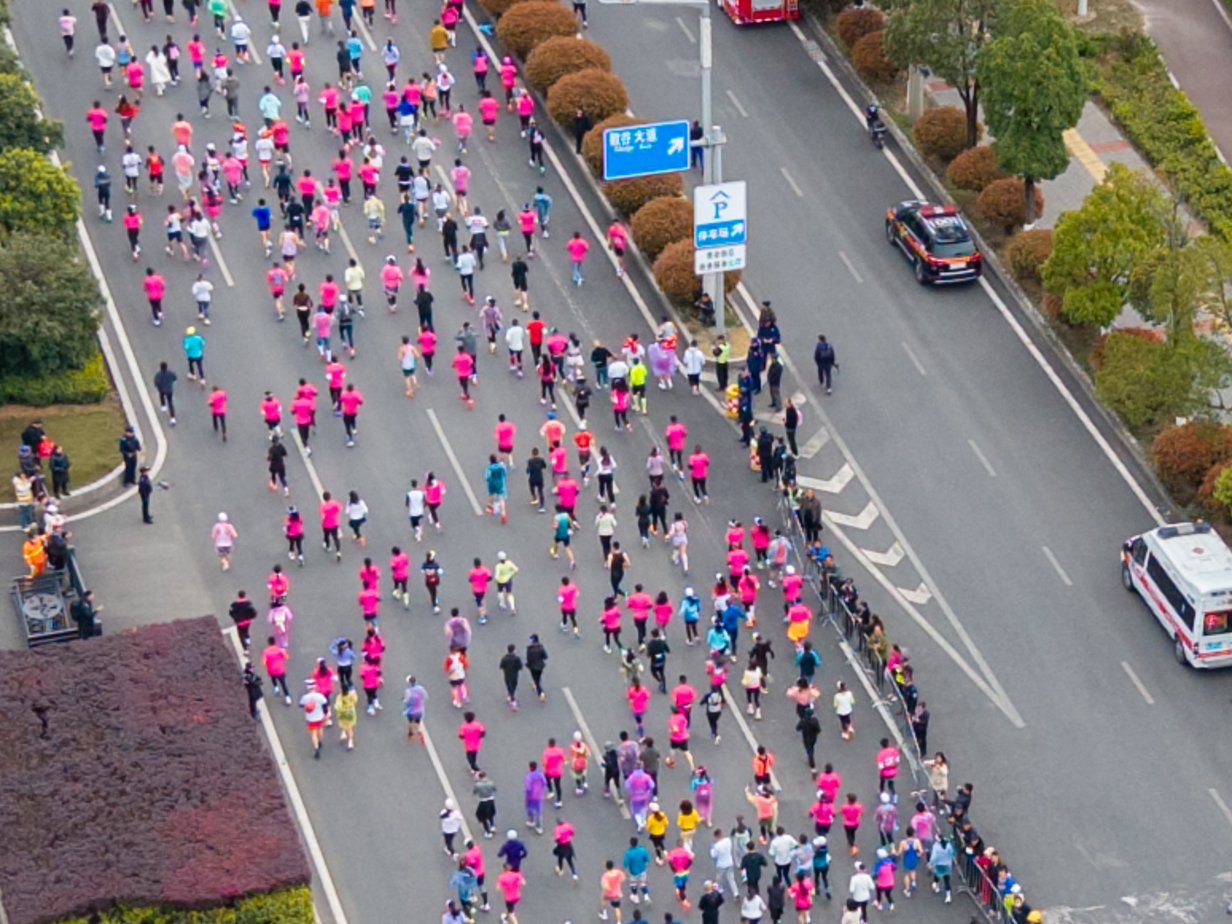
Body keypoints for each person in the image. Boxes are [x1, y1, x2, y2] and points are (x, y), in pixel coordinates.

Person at [300, 678, 329, 758]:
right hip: (320, 716)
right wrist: (326, 714)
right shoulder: (320, 696)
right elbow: (325, 705)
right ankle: (320, 741)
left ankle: (316, 748)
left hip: (310, 718)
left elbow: (301, 705)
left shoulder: (305, 697)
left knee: (313, 733)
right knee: (320, 729)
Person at [499, 644, 523, 709]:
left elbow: (501, 666)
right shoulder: (517, 658)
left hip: (507, 674)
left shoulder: (504, 658)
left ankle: (511, 696)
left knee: (509, 685)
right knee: (514, 684)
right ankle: (512, 697)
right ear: (514, 650)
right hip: (515, 674)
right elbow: (520, 666)